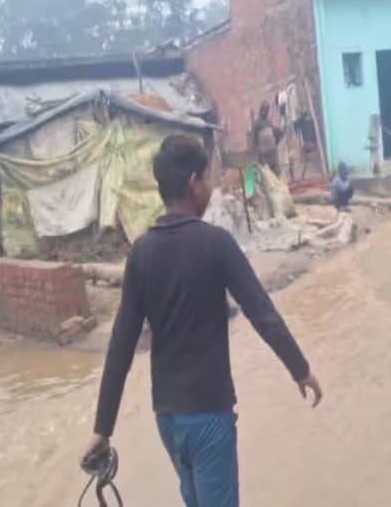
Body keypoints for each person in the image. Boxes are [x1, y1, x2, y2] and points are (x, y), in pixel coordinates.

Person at [82, 135, 323, 507]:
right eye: (207, 180)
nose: (210, 188)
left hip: (168, 418)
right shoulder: (216, 243)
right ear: (193, 184)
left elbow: (121, 346)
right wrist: (301, 369)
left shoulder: (141, 253)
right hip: (209, 415)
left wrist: (103, 428)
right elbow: (262, 312)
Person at [252, 100, 283, 175]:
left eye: (266, 110)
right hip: (264, 153)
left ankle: (278, 185)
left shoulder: (269, 122)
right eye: (263, 110)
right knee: (267, 173)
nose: (265, 112)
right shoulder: (257, 123)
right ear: (261, 110)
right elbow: (255, 139)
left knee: (276, 171)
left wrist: (276, 143)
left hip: (272, 151)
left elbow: (277, 134)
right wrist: (258, 150)